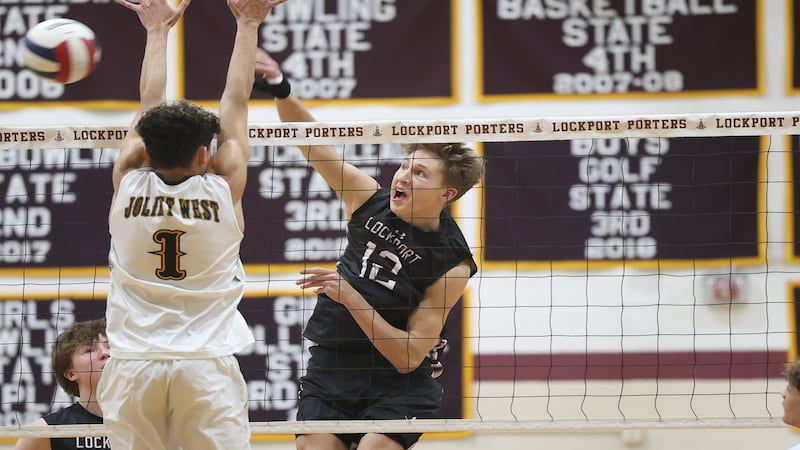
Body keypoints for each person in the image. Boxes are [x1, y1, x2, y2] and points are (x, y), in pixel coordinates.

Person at [254, 50, 485, 450]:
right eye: (405, 166)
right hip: (335, 366)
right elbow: (313, 145)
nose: (403, 176)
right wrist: (280, 88)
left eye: (419, 173)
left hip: (399, 383)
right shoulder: (369, 199)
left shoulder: (453, 262)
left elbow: (409, 357)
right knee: (314, 447)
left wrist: (349, 294)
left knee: (375, 447)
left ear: (447, 193)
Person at [97, 0, 287, 449]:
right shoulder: (224, 187)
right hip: (203, 366)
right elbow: (236, 101)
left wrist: (157, 30)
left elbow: (149, 105)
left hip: (133, 363)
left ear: (145, 148)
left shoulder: (127, 180)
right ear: (205, 154)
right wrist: (247, 22)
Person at [14, 318, 110, 450]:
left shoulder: (145, 418)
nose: (106, 353)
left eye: (109, 346)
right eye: (89, 350)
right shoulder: (48, 430)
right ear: (71, 374)